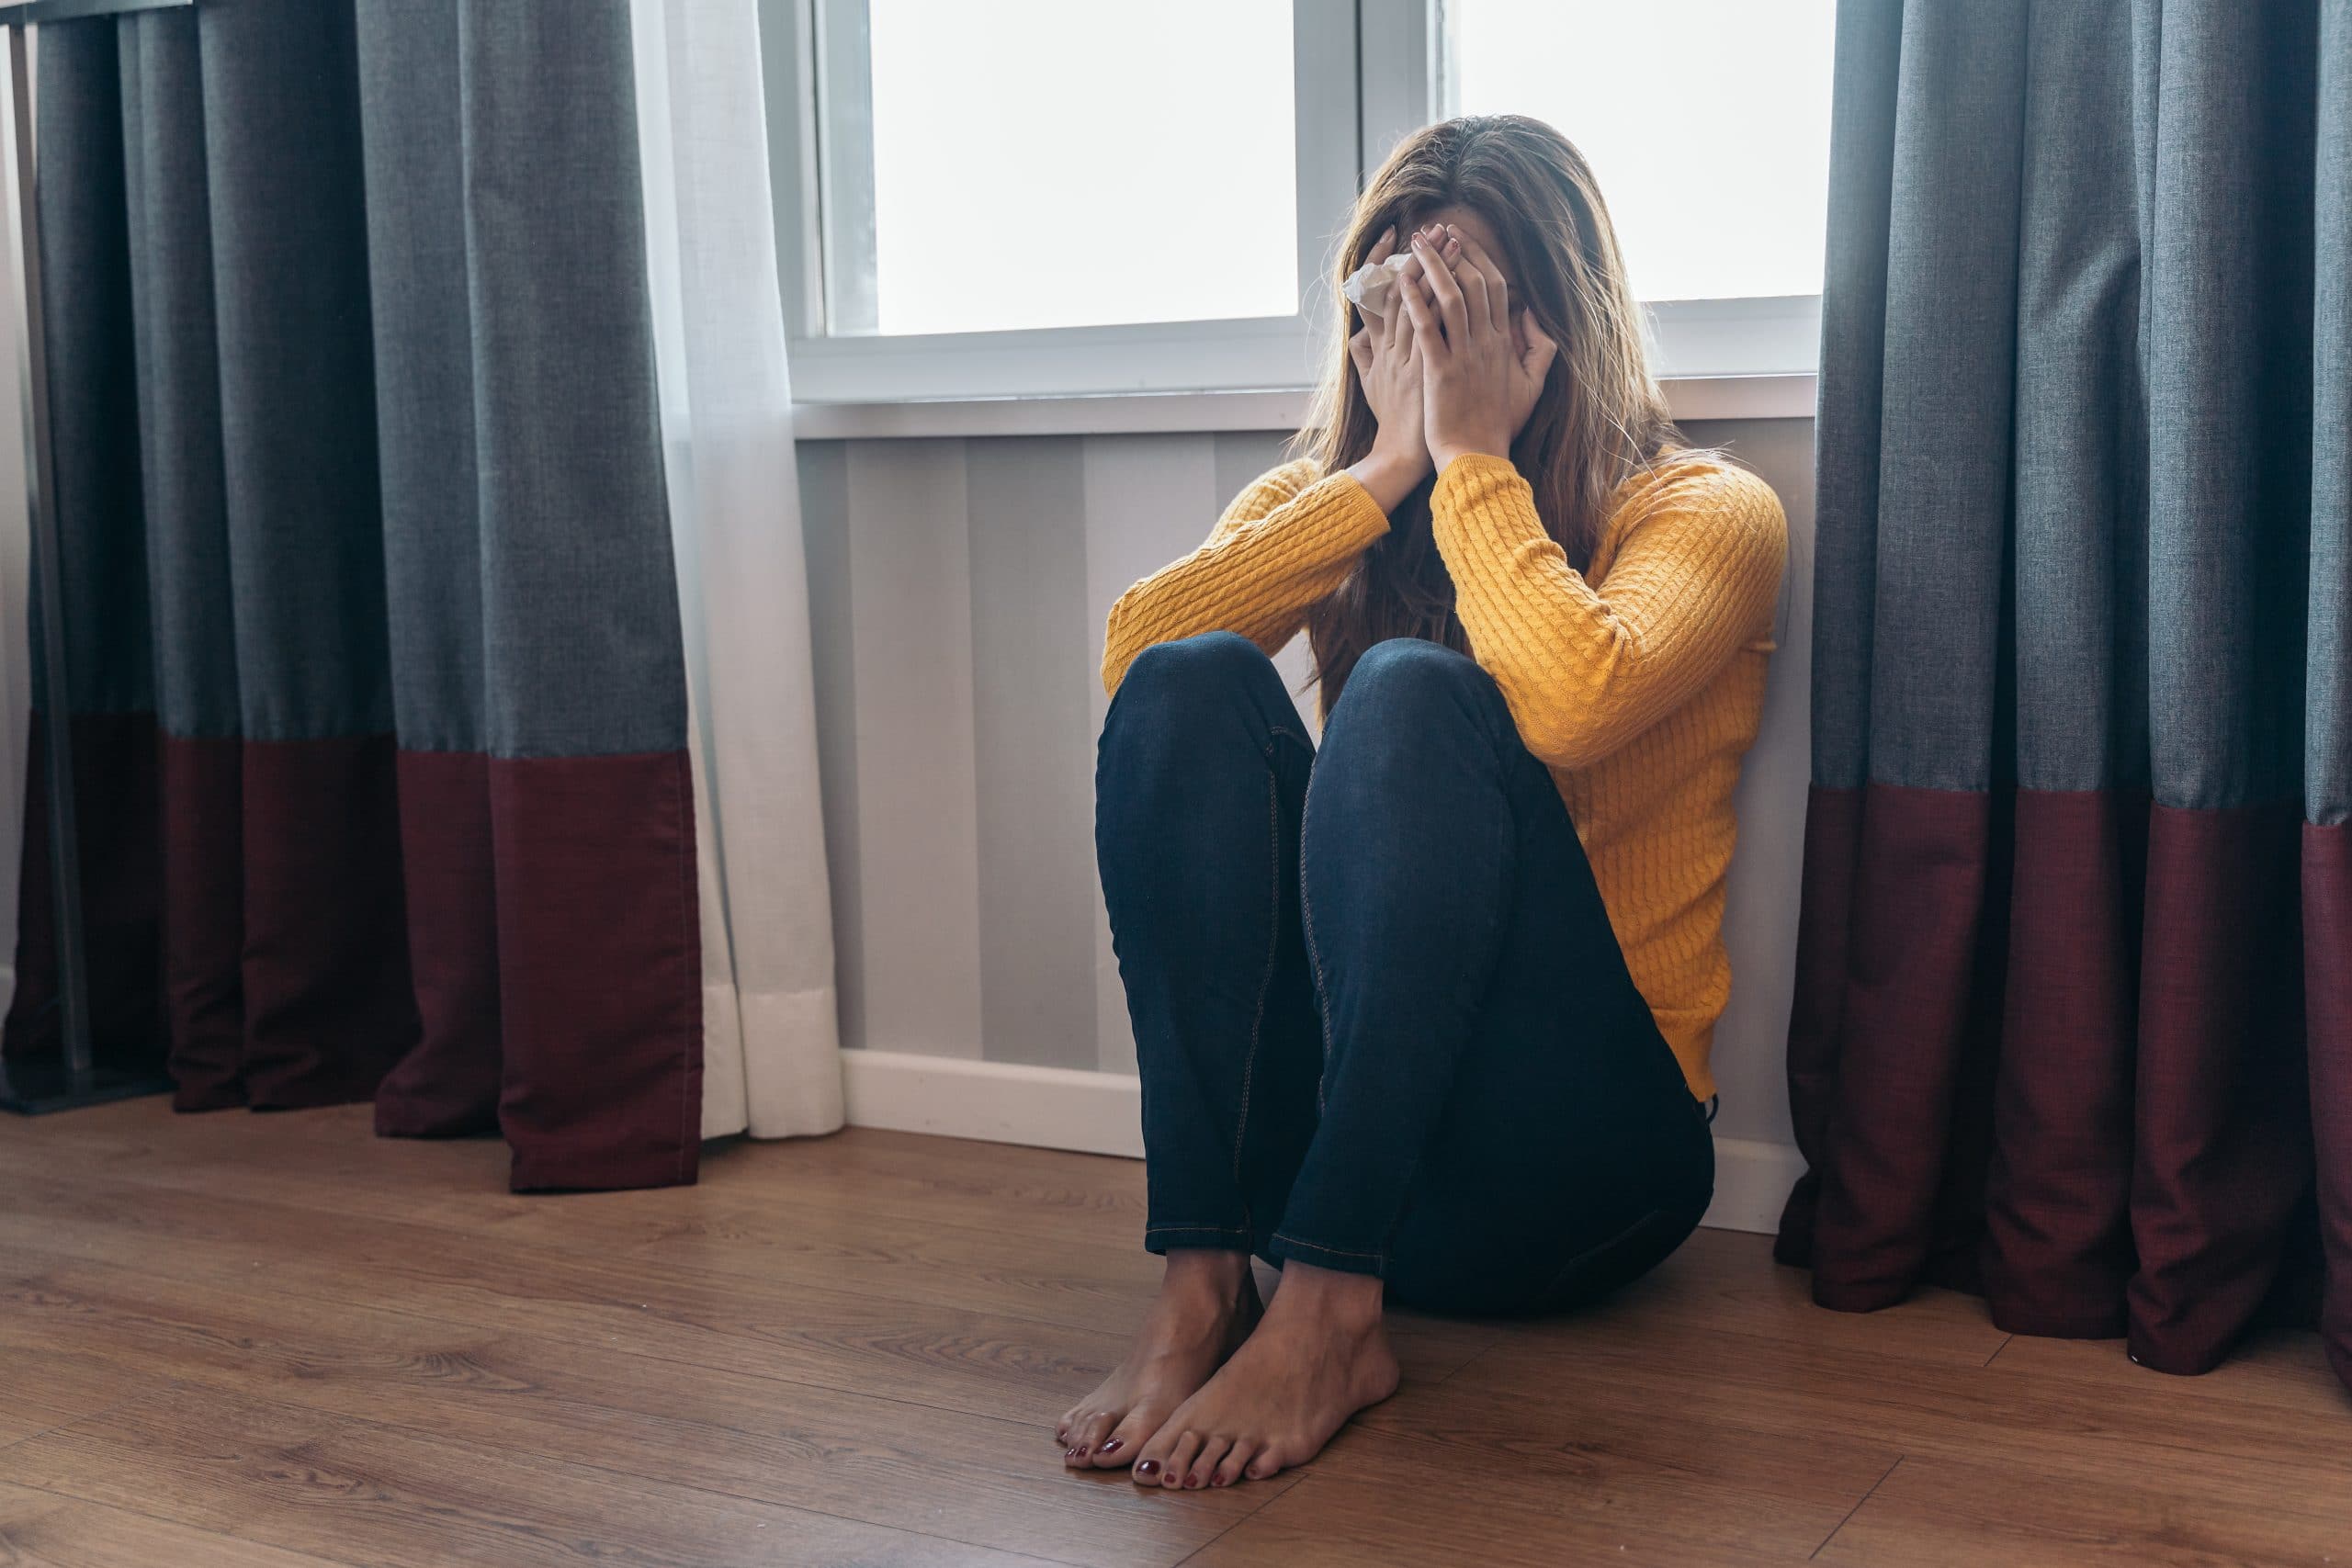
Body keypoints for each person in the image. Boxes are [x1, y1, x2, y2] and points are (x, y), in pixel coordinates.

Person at [1062, 114, 1788, 1490]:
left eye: (1455, 309)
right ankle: (1204, 1284)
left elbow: (1571, 699)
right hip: (1337, 1154)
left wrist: (1468, 460)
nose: (1419, 339)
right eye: (1393, 307)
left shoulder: (1704, 509)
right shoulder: (1331, 496)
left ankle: (1333, 1316)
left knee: (1405, 693)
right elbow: (1131, 667)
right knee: (1192, 679)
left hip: (1577, 1173)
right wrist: (1383, 471)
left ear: (1548, 322)